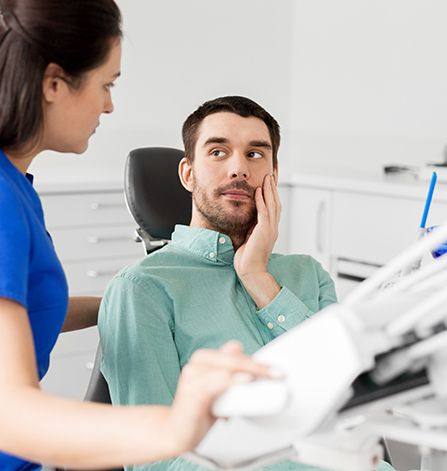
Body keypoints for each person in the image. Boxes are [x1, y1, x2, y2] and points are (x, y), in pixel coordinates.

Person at [0, 3, 274, 470]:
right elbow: (12, 414)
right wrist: (175, 426)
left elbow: (23, 308)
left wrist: (134, 295)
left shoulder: (17, 188)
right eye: (107, 84)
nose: (109, 104)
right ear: (53, 84)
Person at [98, 96, 395, 471]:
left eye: (255, 154)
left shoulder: (308, 274)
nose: (239, 168)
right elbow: (155, 463)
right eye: (218, 152)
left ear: (274, 173)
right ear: (188, 173)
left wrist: (258, 278)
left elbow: (347, 399)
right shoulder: (142, 289)